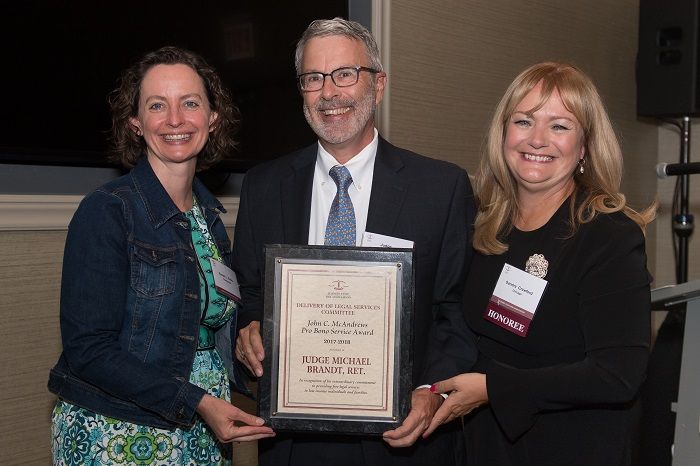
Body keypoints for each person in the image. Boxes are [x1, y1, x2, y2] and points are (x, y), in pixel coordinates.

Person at [232, 17, 476, 466]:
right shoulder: (263, 186)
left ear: (378, 85)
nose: (329, 92)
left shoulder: (441, 189)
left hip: (404, 440)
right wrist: (248, 328)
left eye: (345, 74)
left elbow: (456, 310)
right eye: (313, 78)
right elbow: (249, 292)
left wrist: (433, 391)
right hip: (294, 443)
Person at [47, 46, 274, 465]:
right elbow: (88, 350)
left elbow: (210, 326)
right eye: (157, 105)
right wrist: (196, 401)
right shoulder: (108, 211)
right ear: (135, 123)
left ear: (213, 117)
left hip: (203, 431)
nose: (174, 120)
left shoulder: (209, 218)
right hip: (119, 432)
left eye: (190, 103)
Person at [424, 62, 656, 465]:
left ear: (584, 147)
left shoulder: (608, 237)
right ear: (503, 133)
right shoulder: (485, 224)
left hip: (569, 447)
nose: (537, 139)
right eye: (524, 121)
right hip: (484, 445)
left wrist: (493, 388)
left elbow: (618, 374)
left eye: (559, 126)